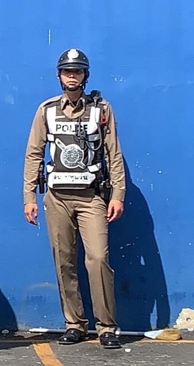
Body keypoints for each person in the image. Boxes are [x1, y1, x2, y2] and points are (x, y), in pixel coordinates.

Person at [23, 48, 125, 349]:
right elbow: (33, 154)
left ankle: (107, 327)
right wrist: (29, 196)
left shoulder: (101, 110)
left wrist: (117, 194)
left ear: (85, 75)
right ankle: (75, 324)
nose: (72, 76)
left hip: (91, 197)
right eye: (67, 71)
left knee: (97, 259)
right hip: (56, 198)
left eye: (77, 71)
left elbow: (113, 154)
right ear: (59, 76)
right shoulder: (47, 110)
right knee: (64, 261)